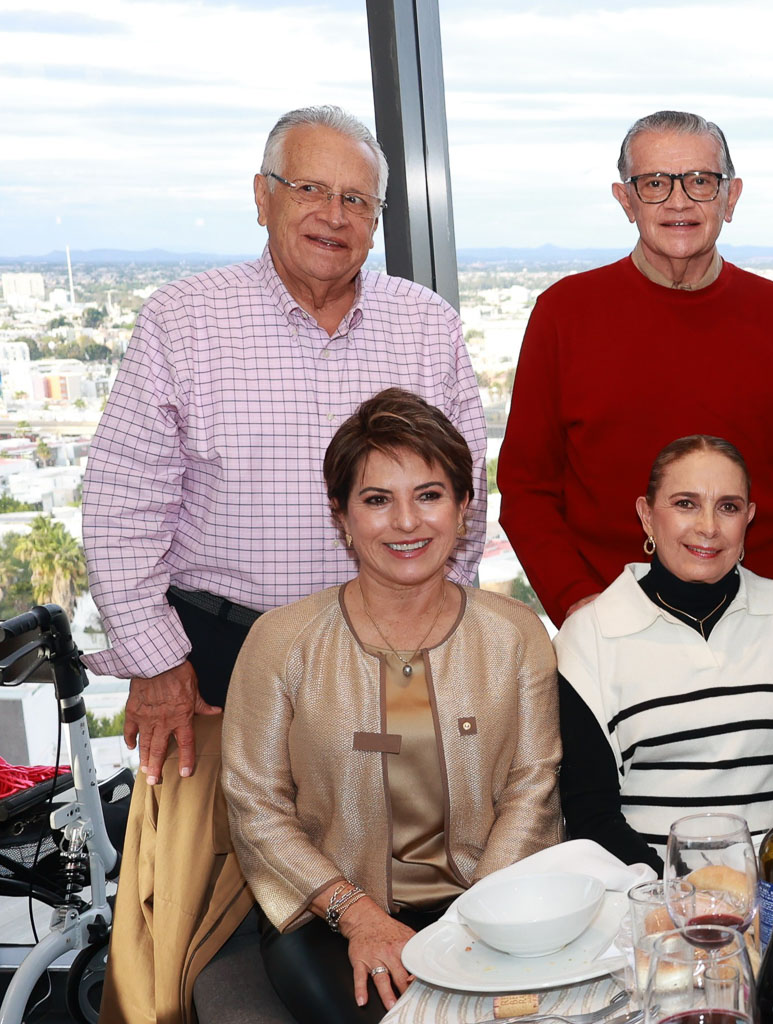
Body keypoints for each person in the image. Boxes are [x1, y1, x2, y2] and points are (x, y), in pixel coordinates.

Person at [82, 105, 487, 1024]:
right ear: (262, 196)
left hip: (389, 664)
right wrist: (157, 663)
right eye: (310, 189)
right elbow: (120, 503)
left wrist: (444, 648)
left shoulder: (426, 325)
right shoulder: (186, 321)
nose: (334, 215)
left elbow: (464, 501)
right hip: (216, 672)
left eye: (357, 200)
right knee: (183, 942)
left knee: (400, 911)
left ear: (378, 219)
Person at [219, 390, 560, 1023]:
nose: (407, 522)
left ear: (463, 507)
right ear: (342, 516)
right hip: (329, 914)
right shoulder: (281, 641)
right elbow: (255, 805)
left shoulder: (516, 633)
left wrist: (477, 920)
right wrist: (358, 916)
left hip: (490, 903)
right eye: (377, 500)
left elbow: (533, 787)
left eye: (429, 495)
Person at [500, 110, 773, 627]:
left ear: (730, 197)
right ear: (626, 200)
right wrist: (575, 604)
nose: (679, 201)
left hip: (767, 625)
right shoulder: (563, 314)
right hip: (610, 627)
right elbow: (527, 488)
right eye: (655, 183)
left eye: (700, 181)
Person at [553, 435, 773, 871]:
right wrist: (686, 892)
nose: (708, 526)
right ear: (647, 516)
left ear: (748, 518)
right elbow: (591, 817)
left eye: (728, 507)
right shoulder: (589, 636)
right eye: (685, 504)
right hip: (647, 895)